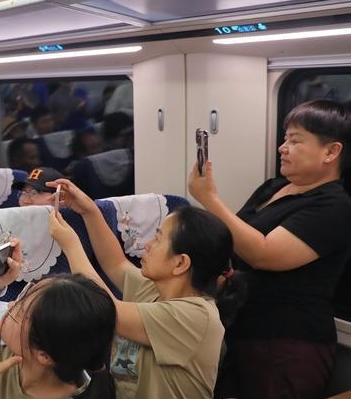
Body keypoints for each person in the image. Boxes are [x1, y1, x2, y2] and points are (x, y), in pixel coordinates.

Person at [188, 99, 351, 399]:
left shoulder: (334, 205)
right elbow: (234, 239)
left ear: (331, 152)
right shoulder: (272, 188)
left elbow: (263, 254)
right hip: (242, 328)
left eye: (295, 141)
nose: (282, 148)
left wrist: (209, 199)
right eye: (285, 138)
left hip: (288, 341)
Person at [50, 178, 246, 399]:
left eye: (158, 239)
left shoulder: (198, 316)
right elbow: (116, 263)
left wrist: (71, 244)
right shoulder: (155, 290)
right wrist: (89, 211)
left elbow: (103, 309)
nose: (147, 245)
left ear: (180, 263)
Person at [0, 239, 117, 399]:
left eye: (20, 311)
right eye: (23, 295)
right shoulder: (0, 326)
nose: (10, 305)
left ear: (43, 356)